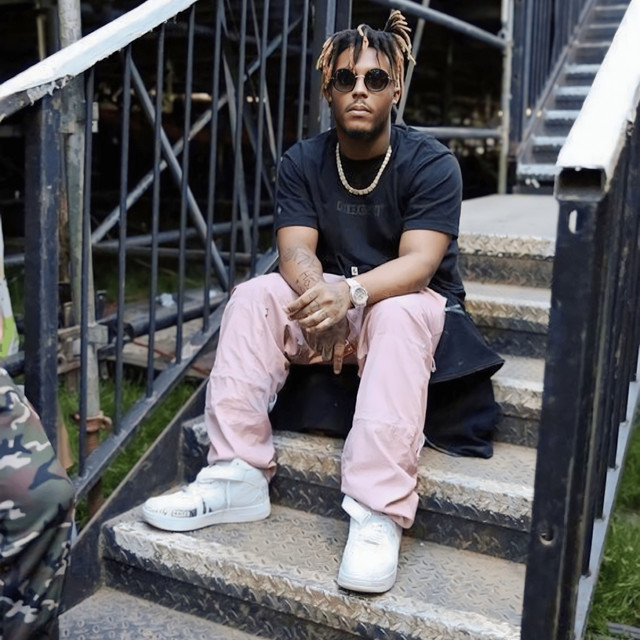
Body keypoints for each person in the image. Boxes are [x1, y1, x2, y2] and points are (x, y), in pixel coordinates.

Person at [142, 11, 501, 594]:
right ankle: (235, 473)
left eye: (375, 79)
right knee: (255, 295)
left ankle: (377, 510)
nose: (360, 90)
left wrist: (350, 295)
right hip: (330, 298)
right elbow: (294, 251)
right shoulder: (303, 160)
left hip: (410, 305)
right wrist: (324, 301)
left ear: (396, 90)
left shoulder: (431, 162)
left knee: (396, 310)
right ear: (327, 89)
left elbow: (419, 264)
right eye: (345, 79)